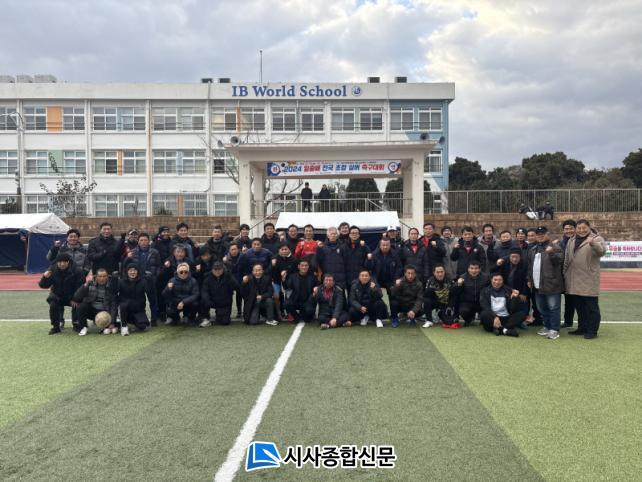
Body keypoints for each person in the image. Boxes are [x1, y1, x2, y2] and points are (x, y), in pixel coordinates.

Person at [563, 219, 606, 339]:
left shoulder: (597, 238)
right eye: (579, 228)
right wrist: (564, 273)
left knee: (592, 308)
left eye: (584, 228)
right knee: (579, 307)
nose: (581, 230)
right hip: (573, 279)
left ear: (589, 227)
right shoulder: (571, 240)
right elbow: (567, 258)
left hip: (588, 279)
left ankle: (592, 330)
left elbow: (602, 252)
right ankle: (582, 328)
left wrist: (593, 244)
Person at [527, 226, 564, 340]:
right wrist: (529, 279)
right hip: (537, 284)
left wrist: (551, 253)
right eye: (538, 234)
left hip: (552, 284)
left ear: (547, 234)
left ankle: (554, 329)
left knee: (553, 308)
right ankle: (547, 326)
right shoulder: (533, 249)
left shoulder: (555, 247)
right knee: (542, 308)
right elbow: (530, 266)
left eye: (542, 234)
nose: (540, 236)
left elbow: (559, 261)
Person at [38, 253, 85, 334]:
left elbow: (81, 287)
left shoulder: (77, 271)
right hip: (58, 296)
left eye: (64, 262)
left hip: (72, 296)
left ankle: (76, 324)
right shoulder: (52, 270)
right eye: (60, 262)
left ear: (68, 262)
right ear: (57, 262)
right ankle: (56, 326)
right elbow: (43, 286)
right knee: (53, 303)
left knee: (79, 303)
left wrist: (75, 298)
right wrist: (45, 278)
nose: (62, 264)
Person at [124, 232, 161, 325]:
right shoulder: (133, 252)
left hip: (150, 279)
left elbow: (159, 266)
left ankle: (154, 319)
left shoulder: (155, 252)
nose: (143, 242)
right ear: (138, 241)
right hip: (138, 281)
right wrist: (127, 258)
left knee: (153, 300)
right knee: (140, 301)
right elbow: (125, 266)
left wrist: (155, 276)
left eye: (145, 240)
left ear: (148, 241)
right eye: (141, 240)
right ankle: (142, 317)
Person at [72, 268, 118, 336]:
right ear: (96, 277)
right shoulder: (90, 283)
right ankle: (83, 327)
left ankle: (110, 325)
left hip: (104, 311)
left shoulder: (112, 286)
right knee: (81, 306)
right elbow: (76, 297)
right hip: (92, 310)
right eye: (100, 276)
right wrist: (86, 284)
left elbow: (113, 304)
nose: (102, 278)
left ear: (107, 277)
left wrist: (112, 322)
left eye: (104, 276)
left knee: (109, 328)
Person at [479, 272, 527, 337]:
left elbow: (513, 308)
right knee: (483, 314)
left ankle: (499, 329)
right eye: (495, 280)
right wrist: (495, 317)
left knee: (522, 314)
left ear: (503, 281)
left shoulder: (509, 290)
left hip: (506, 317)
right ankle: (505, 330)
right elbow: (485, 306)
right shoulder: (485, 291)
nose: (497, 282)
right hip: (492, 317)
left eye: (500, 280)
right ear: (491, 280)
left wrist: (514, 298)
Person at [200, 261, 239, 327]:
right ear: (212, 270)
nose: (217, 271)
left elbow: (236, 287)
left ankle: (219, 314)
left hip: (224, 302)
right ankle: (205, 318)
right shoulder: (207, 277)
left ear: (223, 269)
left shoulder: (228, 276)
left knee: (225, 322)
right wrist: (208, 301)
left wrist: (230, 277)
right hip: (212, 301)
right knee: (203, 301)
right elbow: (204, 291)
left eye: (219, 269)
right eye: (215, 269)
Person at [117, 265, 152, 336]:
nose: (132, 272)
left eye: (134, 270)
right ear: (127, 272)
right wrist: (113, 280)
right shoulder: (121, 281)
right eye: (130, 270)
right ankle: (124, 326)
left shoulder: (143, 281)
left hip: (138, 309)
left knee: (142, 326)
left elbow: (150, 292)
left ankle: (132, 321)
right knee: (123, 305)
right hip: (125, 309)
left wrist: (150, 280)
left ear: (138, 271)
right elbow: (113, 292)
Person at [452, 260, 489, 326]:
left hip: (481, 302)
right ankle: (469, 319)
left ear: (479, 269)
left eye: (476, 268)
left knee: (486, 316)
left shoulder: (486, 277)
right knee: (463, 311)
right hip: (467, 302)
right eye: (471, 268)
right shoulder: (462, 277)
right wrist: (458, 284)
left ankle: (482, 318)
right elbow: (455, 292)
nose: (474, 271)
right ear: (468, 269)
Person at [424, 264, 457, 328]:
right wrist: (431, 289)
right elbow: (426, 295)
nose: (440, 274)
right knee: (426, 300)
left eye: (442, 272)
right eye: (438, 272)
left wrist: (450, 306)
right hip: (435, 302)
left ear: (444, 272)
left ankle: (439, 313)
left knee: (450, 322)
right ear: (434, 273)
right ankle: (429, 320)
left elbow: (454, 295)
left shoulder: (450, 280)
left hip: (445, 305)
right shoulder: (430, 280)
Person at [271, 243, 298, 319]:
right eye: (282, 249)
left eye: (286, 249)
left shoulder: (294, 259)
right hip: (276, 281)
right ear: (279, 250)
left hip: (289, 282)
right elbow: (271, 271)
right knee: (276, 296)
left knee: (288, 297)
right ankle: (278, 312)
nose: (284, 251)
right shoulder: (274, 258)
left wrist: (286, 272)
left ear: (289, 249)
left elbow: (295, 272)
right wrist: (273, 266)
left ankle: (289, 313)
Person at [558, 219, 577, 328]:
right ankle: (568, 321)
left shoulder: (579, 242)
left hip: (575, 276)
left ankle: (583, 324)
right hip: (562, 276)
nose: (568, 231)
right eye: (566, 229)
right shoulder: (560, 243)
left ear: (575, 229)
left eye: (571, 228)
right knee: (568, 300)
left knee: (577, 301)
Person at [344, 226, 372, 291]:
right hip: (348, 278)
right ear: (349, 234)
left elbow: (369, 264)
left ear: (359, 235)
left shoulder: (364, 247)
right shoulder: (344, 247)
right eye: (352, 233)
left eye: (356, 233)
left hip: (361, 278)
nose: (354, 235)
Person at [224, 243, 243, 319]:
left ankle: (239, 311)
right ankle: (228, 312)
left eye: (235, 249)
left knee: (239, 295)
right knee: (228, 296)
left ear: (238, 250)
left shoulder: (243, 256)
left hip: (240, 279)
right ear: (229, 250)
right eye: (232, 249)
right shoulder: (225, 259)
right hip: (230, 280)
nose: (234, 251)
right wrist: (225, 262)